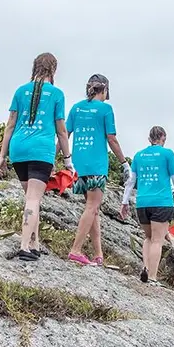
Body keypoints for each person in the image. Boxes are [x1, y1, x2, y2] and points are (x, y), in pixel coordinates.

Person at [0, 53, 71, 262]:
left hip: (18, 149)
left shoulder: (20, 91)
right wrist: (67, 160)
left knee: (31, 197)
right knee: (33, 199)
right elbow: (62, 130)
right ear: (53, 70)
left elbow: (10, 124)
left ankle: (35, 243)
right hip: (41, 150)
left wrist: (2, 155)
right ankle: (24, 246)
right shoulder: (56, 94)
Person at [65, 74, 129, 266]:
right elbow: (112, 138)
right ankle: (75, 250)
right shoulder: (106, 109)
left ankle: (98, 253)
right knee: (92, 207)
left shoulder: (76, 108)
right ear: (106, 90)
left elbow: (64, 133)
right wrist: (124, 163)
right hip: (97, 165)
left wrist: (56, 157)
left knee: (92, 208)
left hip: (78, 164)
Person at [121, 126, 174, 286]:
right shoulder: (168, 154)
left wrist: (124, 201)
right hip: (162, 202)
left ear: (149, 138)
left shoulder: (139, 155)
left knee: (148, 238)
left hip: (142, 202)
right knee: (157, 240)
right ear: (163, 138)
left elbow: (131, 181)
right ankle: (152, 276)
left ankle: (145, 267)